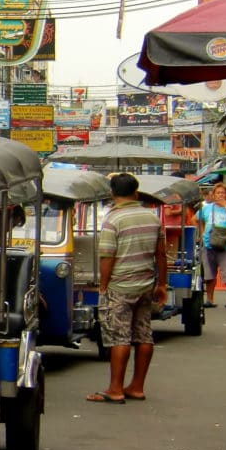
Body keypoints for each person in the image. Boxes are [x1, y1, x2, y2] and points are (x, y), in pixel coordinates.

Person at [87, 173, 167, 404]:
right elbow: (160, 254)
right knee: (144, 334)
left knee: (119, 337)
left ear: (112, 193)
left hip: (120, 286)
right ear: (136, 192)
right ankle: (137, 386)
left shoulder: (113, 219)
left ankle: (115, 388)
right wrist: (162, 283)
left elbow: (106, 256)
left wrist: (103, 285)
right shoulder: (152, 217)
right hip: (145, 285)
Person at [200, 183, 226, 310]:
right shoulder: (206, 208)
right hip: (208, 245)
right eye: (218, 193)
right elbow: (196, 220)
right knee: (209, 275)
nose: (220, 195)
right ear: (213, 194)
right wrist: (202, 233)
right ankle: (210, 300)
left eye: (223, 193)